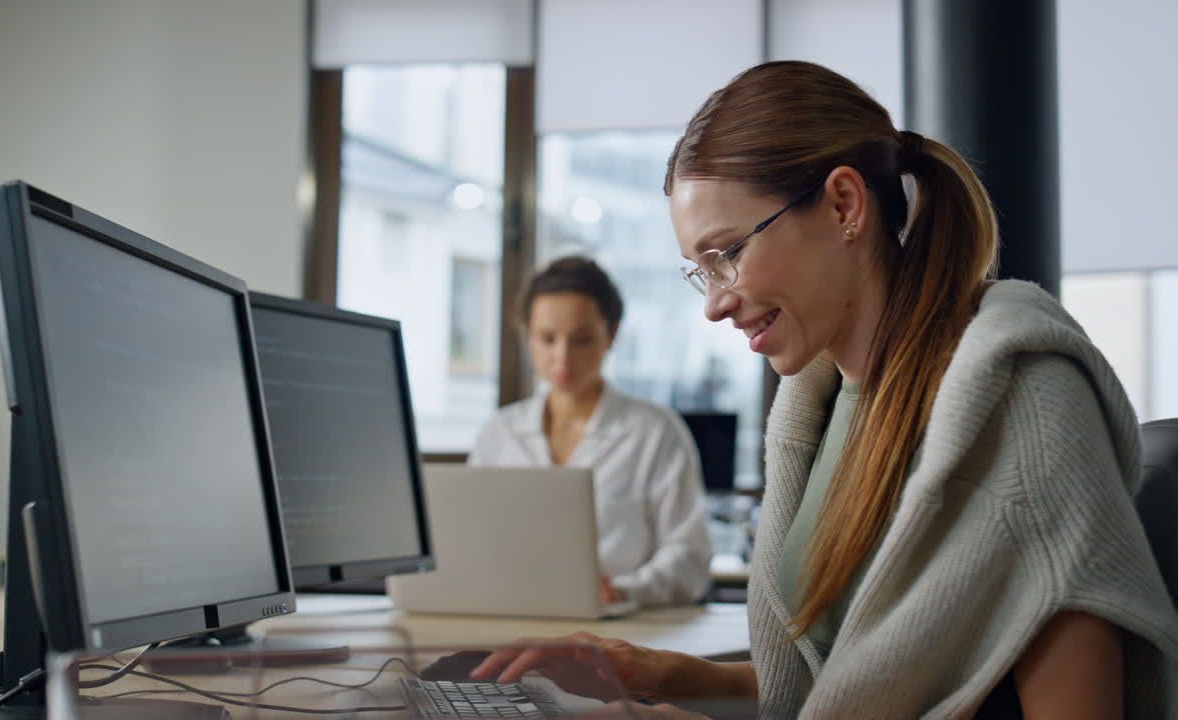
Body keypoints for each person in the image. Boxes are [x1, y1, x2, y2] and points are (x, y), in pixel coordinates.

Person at [471, 61, 1178, 718]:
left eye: (728, 255)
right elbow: (843, 691)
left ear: (843, 205)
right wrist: (659, 676)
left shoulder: (1024, 402)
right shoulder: (825, 410)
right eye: (701, 270)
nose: (714, 304)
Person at [469, 256, 713, 608]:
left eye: (581, 339)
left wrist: (624, 590)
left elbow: (690, 558)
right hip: (514, 614)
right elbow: (473, 542)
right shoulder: (499, 433)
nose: (562, 357)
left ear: (610, 334)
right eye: (547, 338)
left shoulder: (656, 431)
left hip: (623, 628)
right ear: (527, 337)